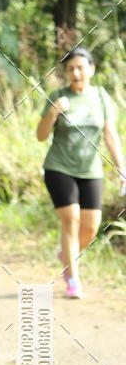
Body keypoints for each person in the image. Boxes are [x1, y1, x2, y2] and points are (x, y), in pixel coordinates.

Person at [36, 46, 126, 299]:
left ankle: (67, 255)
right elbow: (41, 136)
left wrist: (122, 167)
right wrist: (53, 112)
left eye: (80, 68)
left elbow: (110, 135)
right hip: (59, 167)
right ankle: (73, 279)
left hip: (91, 170)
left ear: (91, 70)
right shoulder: (58, 96)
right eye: (71, 69)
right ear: (66, 73)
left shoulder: (101, 97)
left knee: (91, 228)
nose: (76, 73)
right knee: (71, 219)